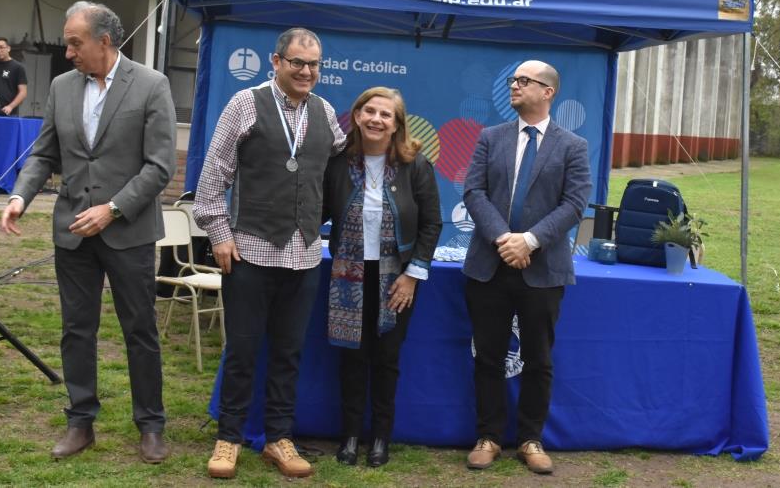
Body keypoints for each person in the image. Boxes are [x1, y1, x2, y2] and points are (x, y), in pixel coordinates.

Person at [0, 1, 176, 463]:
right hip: (72, 232)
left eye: (76, 42)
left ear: (104, 41)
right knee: (77, 330)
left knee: (140, 330)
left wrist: (113, 209)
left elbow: (159, 167)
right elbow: (43, 154)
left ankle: (151, 425)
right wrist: (20, 196)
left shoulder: (152, 85)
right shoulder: (60, 87)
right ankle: (80, 422)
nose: (69, 50)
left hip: (129, 232)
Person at [193, 27, 345, 480]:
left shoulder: (326, 112)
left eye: (314, 64)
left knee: (289, 352)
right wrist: (219, 233)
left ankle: (279, 438)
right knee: (242, 350)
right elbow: (212, 177)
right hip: (250, 251)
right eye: (297, 62)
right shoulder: (244, 103)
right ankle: (229, 438)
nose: (306, 71)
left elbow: (346, 162)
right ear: (275, 62)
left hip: (303, 255)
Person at [462, 60, 591, 475]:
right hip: (490, 265)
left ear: (547, 91)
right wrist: (506, 239)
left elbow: (574, 204)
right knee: (488, 356)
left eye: (523, 81)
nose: (514, 86)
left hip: (543, 269)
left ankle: (531, 439)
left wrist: (529, 241)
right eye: (513, 79)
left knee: (538, 358)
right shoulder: (490, 137)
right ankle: (489, 437)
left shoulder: (572, 145)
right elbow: (473, 191)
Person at [323, 87, 442, 468]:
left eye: (385, 114)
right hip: (349, 275)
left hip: (397, 276)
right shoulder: (339, 161)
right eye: (369, 111)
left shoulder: (415, 163)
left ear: (397, 125)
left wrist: (412, 275)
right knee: (352, 359)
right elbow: (316, 209)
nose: (376, 119)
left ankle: (380, 439)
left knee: (387, 359)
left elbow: (432, 223)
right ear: (356, 116)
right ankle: (351, 436)